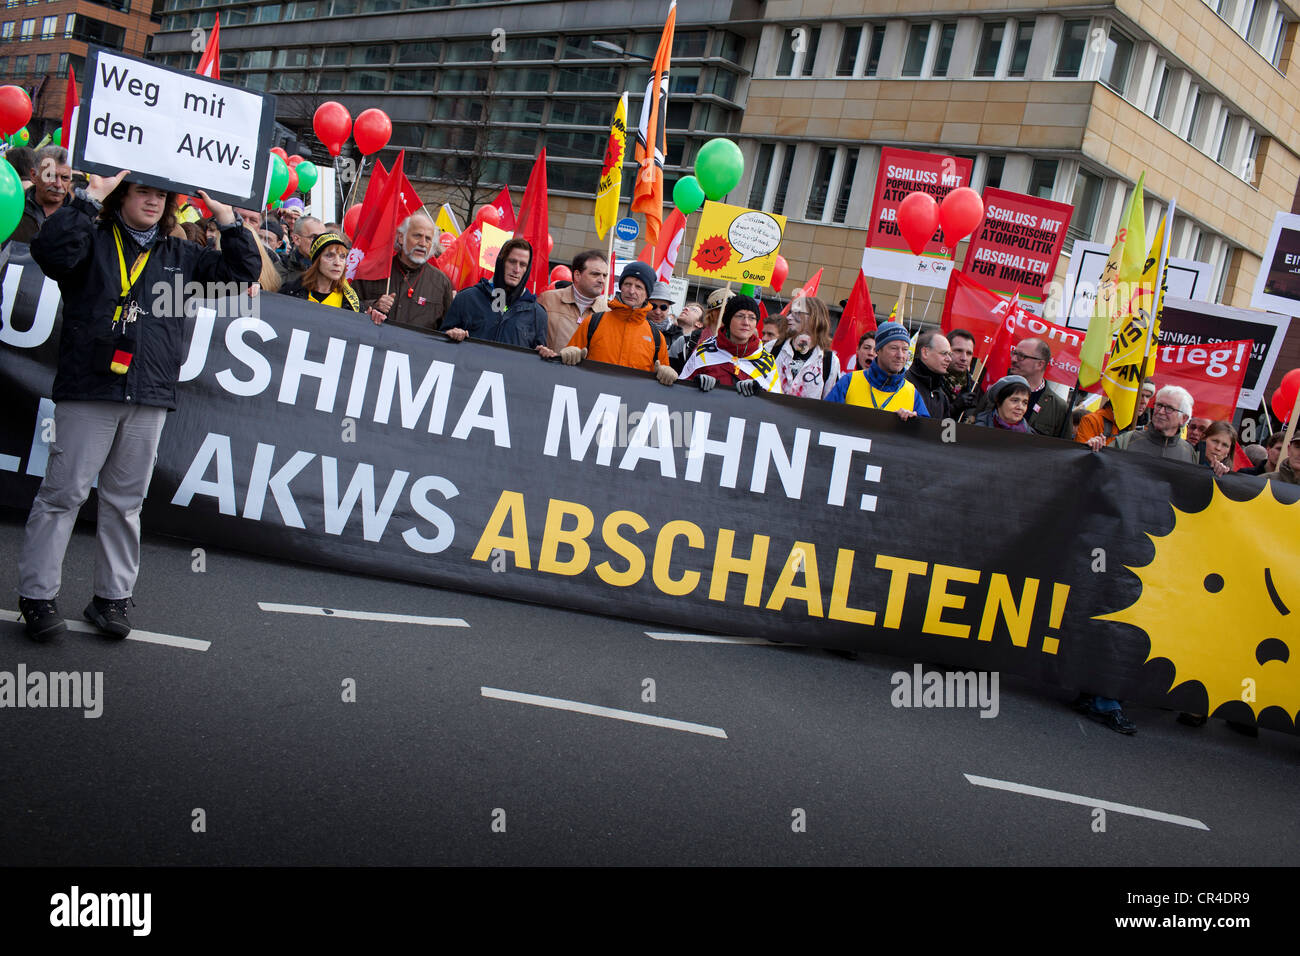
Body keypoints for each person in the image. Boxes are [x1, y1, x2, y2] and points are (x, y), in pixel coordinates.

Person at [17, 170, 259, 642]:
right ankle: (37, 595)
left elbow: (240, 273)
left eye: (160, 194)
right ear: (123, 196)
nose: (152, 201)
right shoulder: (90, 239)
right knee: (63, 495)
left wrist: (227, 221)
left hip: (148, 394)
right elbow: (49, 252)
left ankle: (111, 598)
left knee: (126, 503)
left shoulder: (181, 255)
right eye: (142, 191)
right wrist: (89, 197)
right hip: (91, 388)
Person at [560, 261, 674, 385]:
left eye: (639, 287)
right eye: (627, 284)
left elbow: (662, 378)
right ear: (621, 287)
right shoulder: (593, 322)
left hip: (632, 402)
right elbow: (571, 357)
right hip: (590, 398)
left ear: (647, 294)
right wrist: (570, 353)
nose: (631, 291)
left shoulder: (657, 338)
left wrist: (667, 373)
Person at [442, 237, 555, 355]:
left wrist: (543, 355)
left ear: (527, 270)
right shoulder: (466, 298)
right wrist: (450, 334)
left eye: (522, 265)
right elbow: (438, 342)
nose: (516, 269)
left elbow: (535, 366)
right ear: (501, 262)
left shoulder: (537, 314)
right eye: (512, 261)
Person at [353, 211, 454, 331]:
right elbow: (347, 308)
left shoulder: (441, 283)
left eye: (428, 239)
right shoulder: (373, 270)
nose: (422, 243)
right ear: (401, 237)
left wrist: (455, 331)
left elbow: (448, 326)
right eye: (417, 236)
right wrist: (373, 305)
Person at [825, 322, 929, 419]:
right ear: (878, 350)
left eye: (905, 349)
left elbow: (925, 434)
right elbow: (824, 419)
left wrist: (912, 423)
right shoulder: (849, 381)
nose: (900, 355)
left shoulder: (912, 392)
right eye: (894, 348)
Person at [681, 294, 779, 395]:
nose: (746, 322)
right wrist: (696, 385)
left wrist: (759, 392)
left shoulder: (766, 360)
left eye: (752, 318)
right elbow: (681, 391)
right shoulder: (704, 351)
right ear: (728, 320)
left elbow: (776, 403)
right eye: (740, 316)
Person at [1088, 385, 1198, 463]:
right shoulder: (1127, 440)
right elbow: (1100, 469)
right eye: (1159, 405)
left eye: (1169, 408)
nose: (1160, 412)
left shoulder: (1188, 453)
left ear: (1183, 419)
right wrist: (1093, 450)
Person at [771, 295, 840, 398]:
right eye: (790, 313)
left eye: (798, 313)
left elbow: (829, 403)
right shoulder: (772, 348)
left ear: (815, 318)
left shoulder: (830, 361)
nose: (789, 318)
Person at [539, 250, 606, 350]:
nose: (602, 280)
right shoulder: (547, 300)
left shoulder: (607, 314)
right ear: (577, 275)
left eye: (604, 275)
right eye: (595, 274)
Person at [282, 232, 362, 312]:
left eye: (342, 257)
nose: (337, 263)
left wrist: (370, 317)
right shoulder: (290, 291)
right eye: (330, 255)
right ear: (317, 261)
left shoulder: (352, 301)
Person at [1008, 337, 1069, 437]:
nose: (1013, 359)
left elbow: (1064, 449)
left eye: (1021, 356)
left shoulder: (1059, 408)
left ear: (1040, 364)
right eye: (1014, 353)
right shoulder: (997, 390)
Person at [11, 146, 74, 244]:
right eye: (50, 176)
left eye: (65, 178)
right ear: (33, 175)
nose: (58, 184)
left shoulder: (77, 217)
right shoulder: (14, 208)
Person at [670, 288, 730, 373]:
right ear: (713, 312)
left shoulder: (738, 346)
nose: (732, 314)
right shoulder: (686, 343)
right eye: (726, 309)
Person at [905, 329, 953, 419]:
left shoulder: (941, 395)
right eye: (944, 353)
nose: (949, 359)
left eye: (950, 354)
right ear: (925, 352)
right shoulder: (904, 383)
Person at [944, 328, 983, 419]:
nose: (964, 358)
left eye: (969, 353)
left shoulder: (975, 389)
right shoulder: (932, 381)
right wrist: (955, 407)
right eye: (958, 351)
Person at [279, 215, 323, 283]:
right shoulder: (281, 268)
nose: (321, 242)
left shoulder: (331, 268)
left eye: (323, 238)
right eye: (314, 237)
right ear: (296, 239)